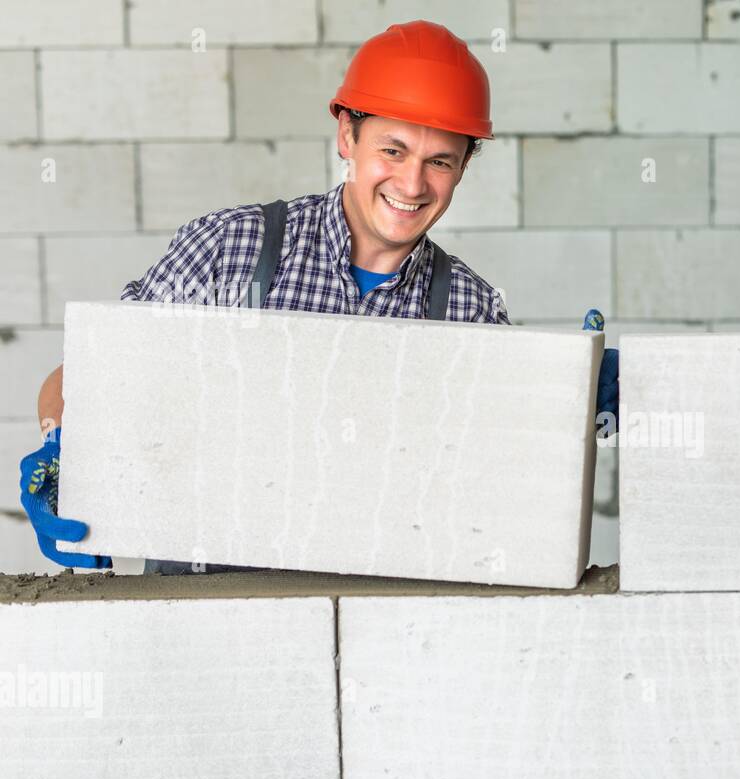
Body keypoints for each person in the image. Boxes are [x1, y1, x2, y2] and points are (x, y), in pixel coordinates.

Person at [19, 19, 617, 574]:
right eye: (392, 149)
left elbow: (504, 481)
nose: (412, 184)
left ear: (462, 168)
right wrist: (60, 442)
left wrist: (574, 401)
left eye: (439, 160)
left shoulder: (473, 311)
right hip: (200, 606)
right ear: (346, 136)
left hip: (384, 626)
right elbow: (88, 376)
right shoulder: (230, 250)